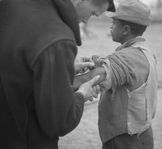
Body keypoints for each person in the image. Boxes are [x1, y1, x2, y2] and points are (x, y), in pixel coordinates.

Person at [0, 0, 115, 149]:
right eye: (92, 13)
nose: (87, 20)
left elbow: (16, 62)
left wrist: (59, 69)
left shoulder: (12, 5)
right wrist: (81, 96)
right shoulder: (58, 40)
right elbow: (58, 122)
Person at [73, 0, 158, 148]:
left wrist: (55, 82)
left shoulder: (128, 57)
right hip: (140, 135)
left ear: (125, 29)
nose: (110, 26)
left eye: (114, 22)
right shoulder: (143, 51)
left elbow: (91, 77)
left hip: (126, 140)